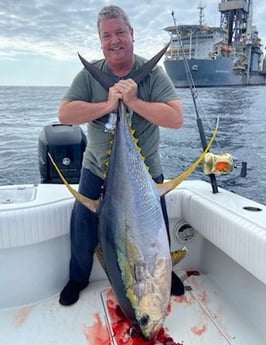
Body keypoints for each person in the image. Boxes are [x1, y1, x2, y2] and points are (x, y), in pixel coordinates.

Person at [58, 5, 184, 306]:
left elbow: (176, 119)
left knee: (156, 232)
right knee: (83, 231)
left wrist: (134, 100)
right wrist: (107, 106)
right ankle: (78, 278)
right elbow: (65, 114)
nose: (114, 40)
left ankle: (166, 272)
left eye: (119, 33)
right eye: (106, 35)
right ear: (100, 41)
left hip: (146, 174)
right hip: (95, 172)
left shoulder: (153, 74)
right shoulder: (89, 76)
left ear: (132, 34)